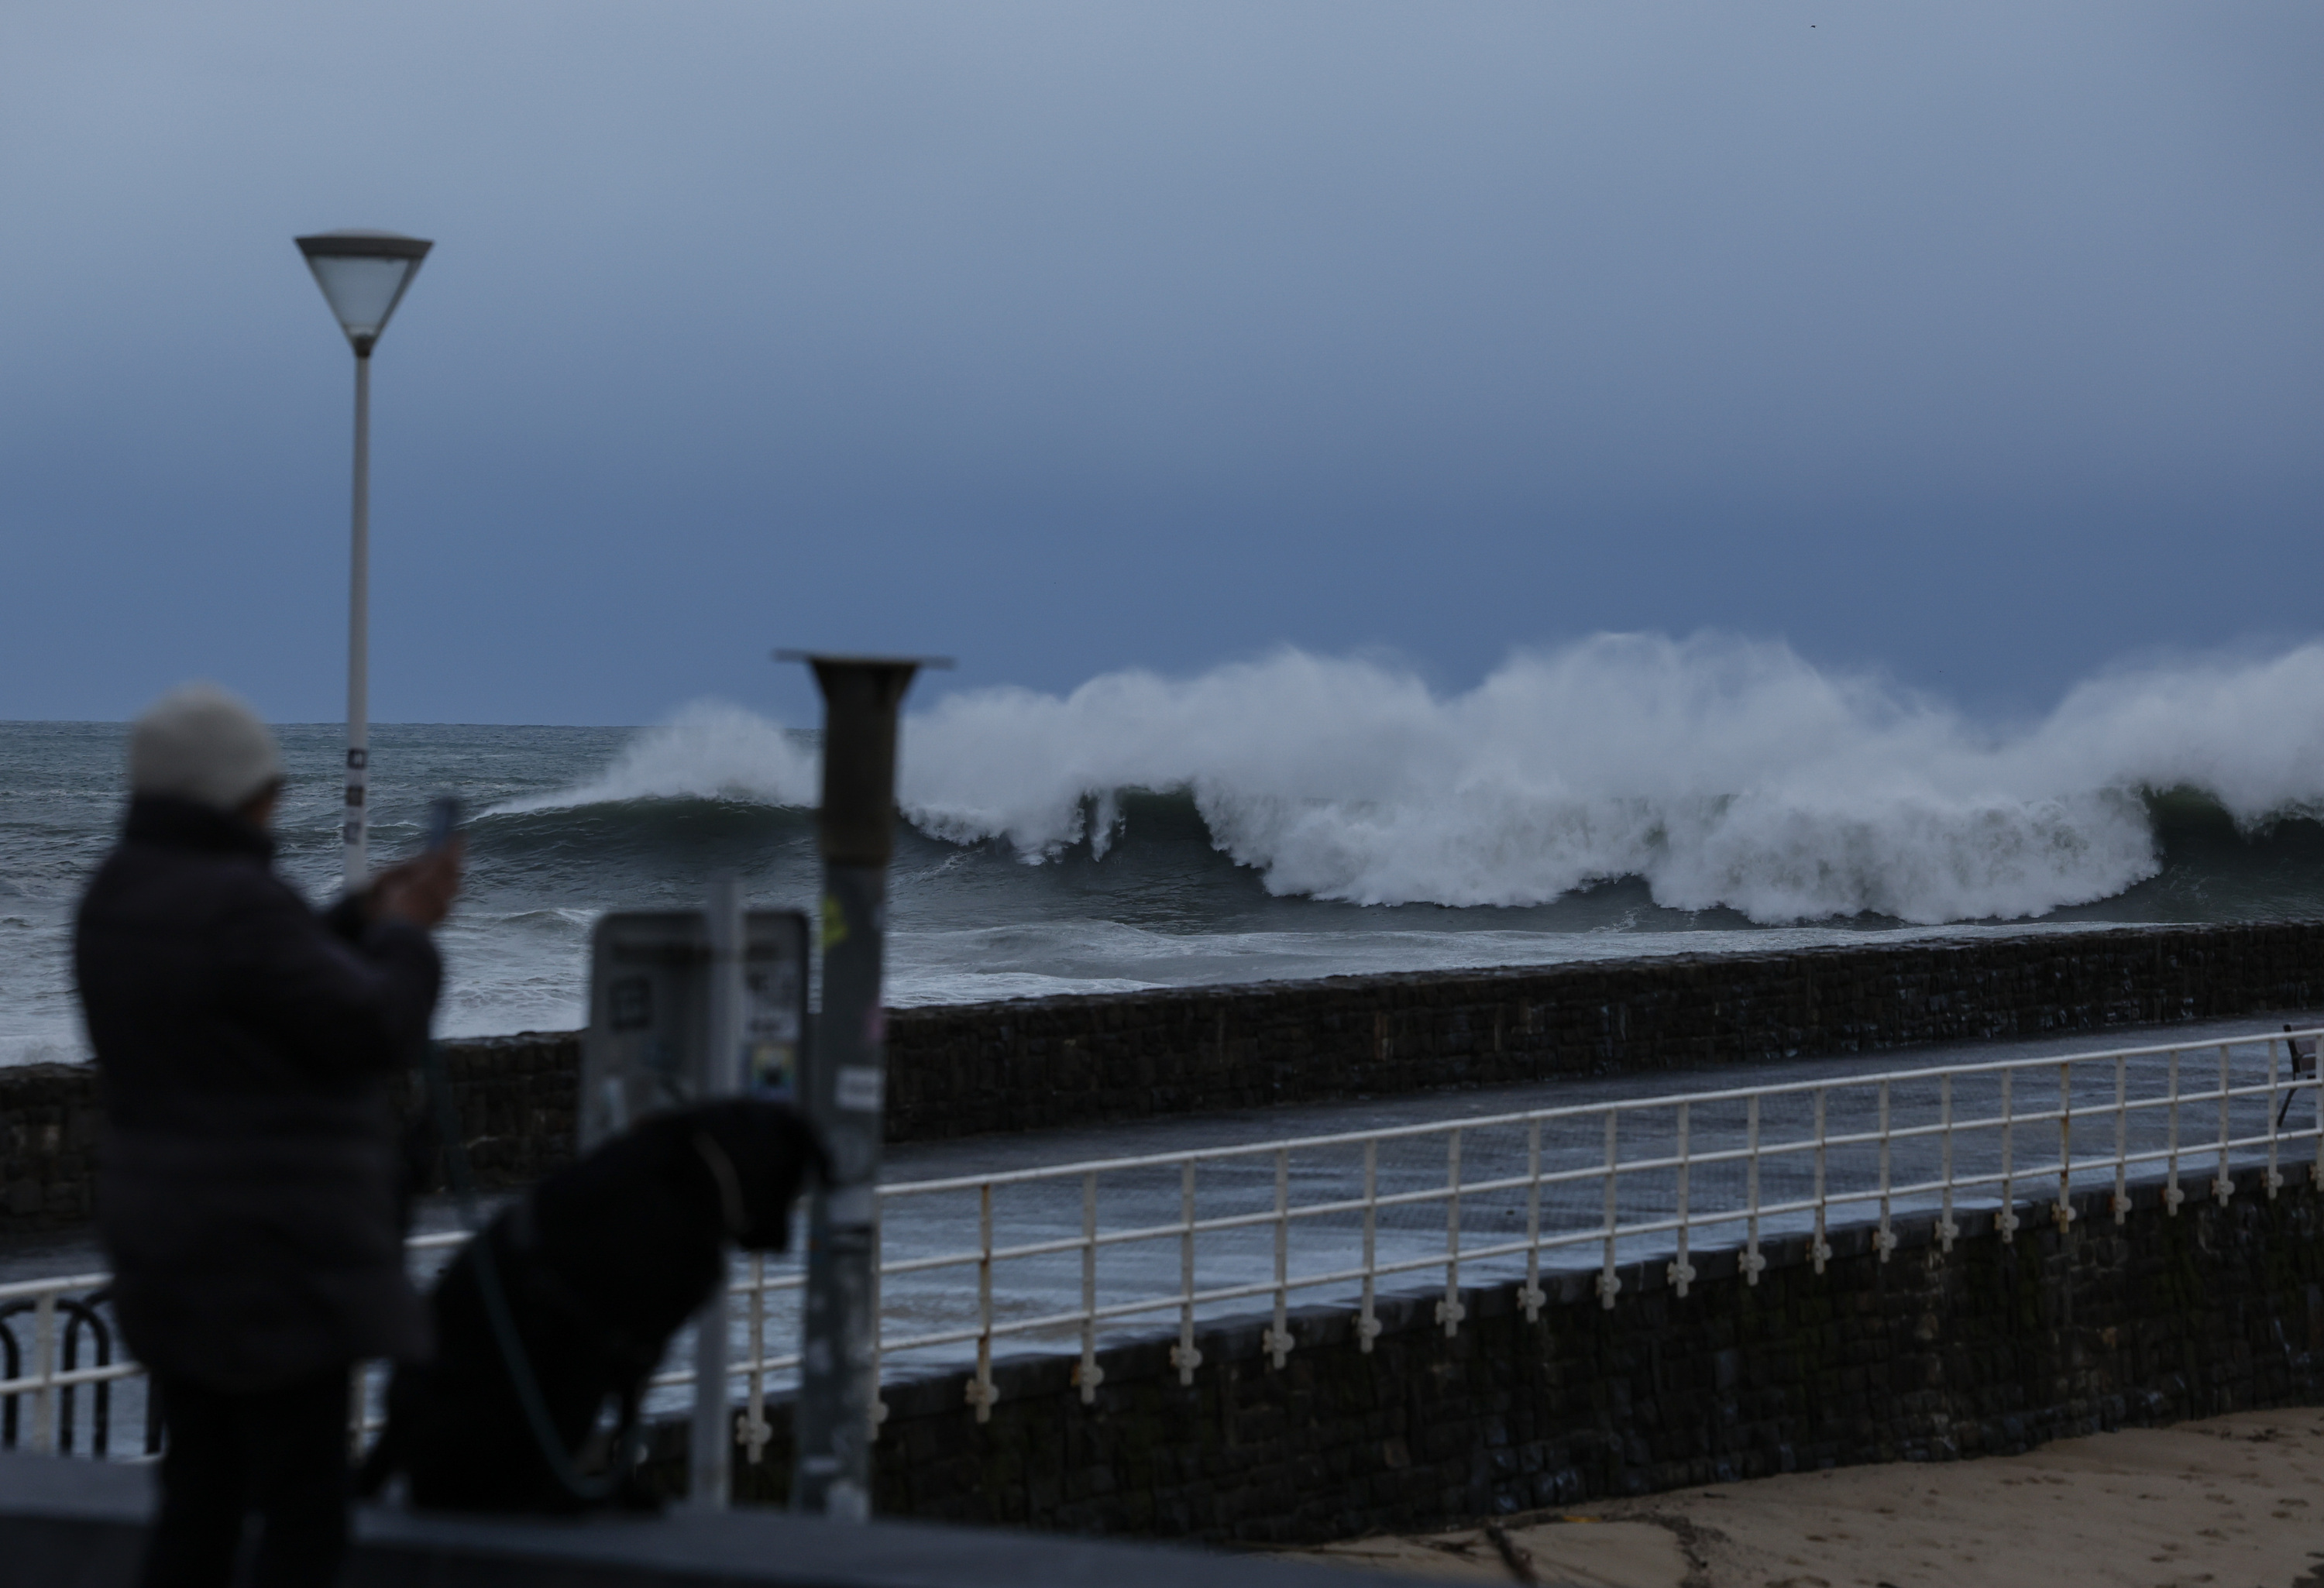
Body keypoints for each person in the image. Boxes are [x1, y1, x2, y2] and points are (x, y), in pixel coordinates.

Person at [74, 683, 462, 1588]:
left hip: (168, 1243)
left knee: (199, 1499)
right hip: (275, 1260)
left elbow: (245, 986)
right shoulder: (240, 903)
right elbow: (374, 1024)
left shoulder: (119, 892)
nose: (276, 802)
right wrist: (408, 936)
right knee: (302, 1516)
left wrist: (358, 917)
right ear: (232, 793)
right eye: (268, 786)